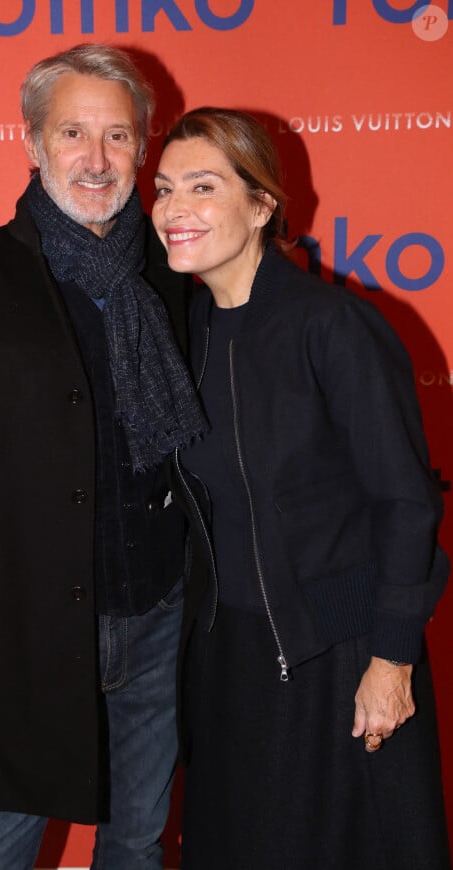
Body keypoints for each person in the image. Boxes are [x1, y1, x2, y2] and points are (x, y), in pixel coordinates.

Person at [0, 45, 206, 870]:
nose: (96, 160)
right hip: (26, 634)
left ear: (144, 147)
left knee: (137, 844)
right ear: (32, 141)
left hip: (160, 616)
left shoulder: (179, 277)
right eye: (72, 132)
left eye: (117, 136)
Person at [152, 107, 451, 869]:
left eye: (203, 186)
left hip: (336, 649)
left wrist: (390, 661)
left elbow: (407, 502)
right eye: (164, 188)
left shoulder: (333, 326)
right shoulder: (189, 332)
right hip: (229, 656)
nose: (175, 208)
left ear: (262, 206)